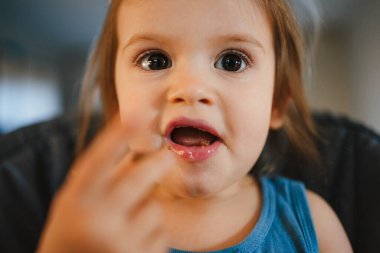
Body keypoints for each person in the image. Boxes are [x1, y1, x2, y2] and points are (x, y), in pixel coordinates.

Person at [33, 0, 353, 252]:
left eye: (232, 61)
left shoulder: (312, 224)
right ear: (115, 100)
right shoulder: (92, 224)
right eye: (155, 60)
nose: (190, 88)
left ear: (277, 103)